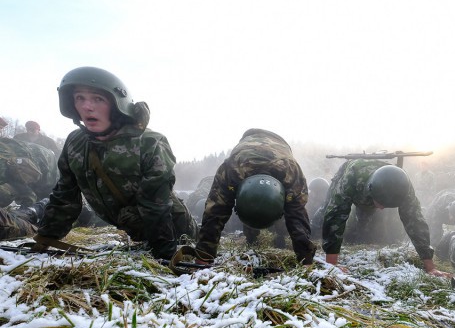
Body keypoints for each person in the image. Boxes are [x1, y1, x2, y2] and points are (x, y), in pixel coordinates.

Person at [35, 66, 198, 259]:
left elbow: (156, 206)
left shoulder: (150, 143)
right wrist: (45, 239)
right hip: (137, 229)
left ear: (117, 105)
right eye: (80, 98)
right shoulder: (75, 143)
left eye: (98, 99)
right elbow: (65, 197)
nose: (87, 106)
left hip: (175, 229)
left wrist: (164, 256)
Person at [196, 128, 316, 265]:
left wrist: (203, 258)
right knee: (293, 210)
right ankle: (251, 239)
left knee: (294, 208)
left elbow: (214, 213)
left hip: (276, 149)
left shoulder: (290, 171)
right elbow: (298, 216)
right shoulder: (233, 169)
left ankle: (252, 240)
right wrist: (306, 261)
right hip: (259, 152)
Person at [321, 159, 448, 276]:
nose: (381, 209)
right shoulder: (351, 178)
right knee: (333, 216)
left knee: (369, 228)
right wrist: (332, 264)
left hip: (371, 192)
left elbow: (415, 222)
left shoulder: (403, 187)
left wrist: (430, 267)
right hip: (353, 182)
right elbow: (335, 217)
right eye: (380, 203)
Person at [0, 132, 57, 240]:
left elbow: (25, 191)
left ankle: (35, 215)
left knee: (59, 199)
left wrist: (28, 210)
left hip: (44, 167)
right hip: (33, 165)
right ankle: (34, 216)